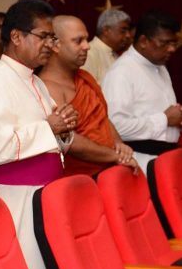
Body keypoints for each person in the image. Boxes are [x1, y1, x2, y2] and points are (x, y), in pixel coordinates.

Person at [0, 0, 78, 269]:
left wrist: (64, 128)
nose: (50, 45)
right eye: (44, 36)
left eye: (52, 38)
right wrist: (50, 127)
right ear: (17, 36)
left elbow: (53, 142)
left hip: (44, 195)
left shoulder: (36, 82)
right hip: (17, 199)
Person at [38, 15, 139, 176]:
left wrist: (119, 145)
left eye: (86, 39)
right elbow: (69, 141)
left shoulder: (84, 77)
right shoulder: (47, 87)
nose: (87, 46)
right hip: (81, 177)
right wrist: (114, 156)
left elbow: (101, 116)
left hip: (110, 166)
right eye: (78, 41)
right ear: (55, 45)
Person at [102, 10, 182, 169]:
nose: (172, 49)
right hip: (140, 163)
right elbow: (115, 127)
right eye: (165, 43)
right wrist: (165, 119)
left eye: (174, 43)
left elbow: (157, 112)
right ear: (143, 41)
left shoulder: (160, 66)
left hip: (166, 159)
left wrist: (180, 117)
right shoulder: (121, 72)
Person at [82, 8, 133, 84]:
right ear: (106, 30)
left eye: (128, 31)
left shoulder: (114, 54)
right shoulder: (89, 53)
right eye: (123, 31)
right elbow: (86, 88)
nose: (128, 35)